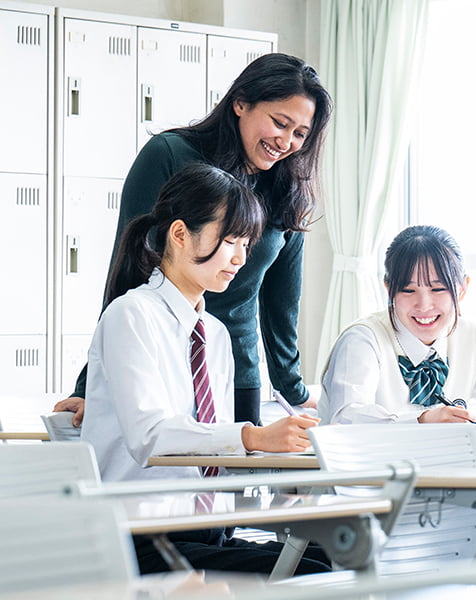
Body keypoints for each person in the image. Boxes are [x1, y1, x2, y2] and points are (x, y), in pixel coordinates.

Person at [55, 52, 333, 427]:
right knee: (162, 466)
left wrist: (295, 392)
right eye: (279, 123)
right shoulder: (170, 155)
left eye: (300, 134)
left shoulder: (288, 190)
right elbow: (130, 267)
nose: (286, 141)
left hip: (235, 366)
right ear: (241, 103)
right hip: (158, 357)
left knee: (227, 476)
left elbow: (282, 305)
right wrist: (91, 385)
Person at [81, 162, 327, 575]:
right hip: (139, 536)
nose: (240, 258)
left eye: (246, 244)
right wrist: (254, 436)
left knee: (332, 557)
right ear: (180, 234)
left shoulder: (213, 333)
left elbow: (214, 446)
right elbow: (150, 436)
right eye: (230, 240)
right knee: (313, 573)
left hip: (204, 528)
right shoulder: (131, 315)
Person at [320, 225, 476, 425]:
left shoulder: (470, 336)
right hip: (367, 467)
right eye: (408, 290)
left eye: (437, 290)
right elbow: (346, 417)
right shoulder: (363, 339)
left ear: (462, 289)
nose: (424, 305)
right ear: (389, 290)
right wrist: (422, 421)